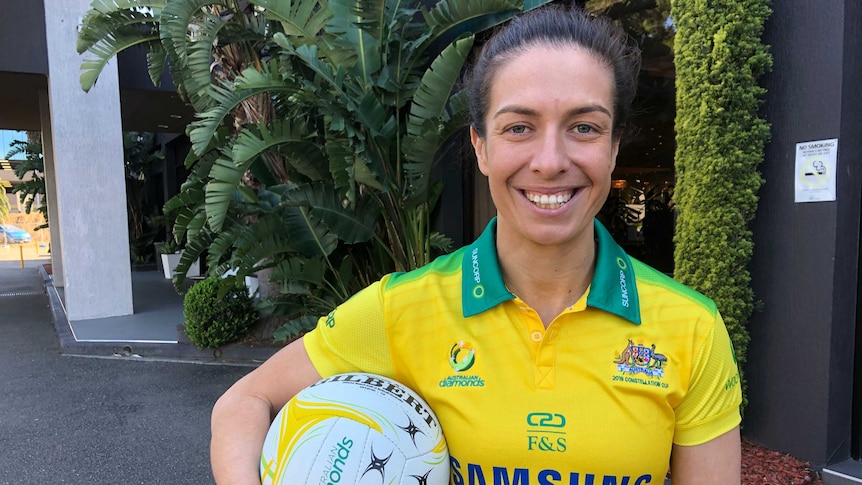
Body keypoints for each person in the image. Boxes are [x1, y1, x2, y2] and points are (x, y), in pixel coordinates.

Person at [210, 4, 742, 484]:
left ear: (613, 146)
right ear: (480, 146)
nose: (551, 160)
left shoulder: (690, 327)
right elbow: (245, 400)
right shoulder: (403, 309)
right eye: (518, 128)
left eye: (583, 127)